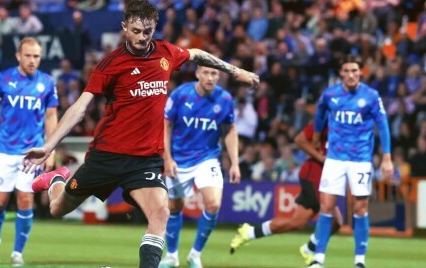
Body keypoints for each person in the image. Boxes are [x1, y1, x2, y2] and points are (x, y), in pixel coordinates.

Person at [21, 1, 259, 268]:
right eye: (136, 31)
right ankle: (56, 180)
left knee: (160, 212)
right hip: (107, 156)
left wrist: (235, 71)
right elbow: (80, 107)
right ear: (124, 27)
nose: (142, 37)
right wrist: (49, 146)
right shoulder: (110, 64)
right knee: (57, 209)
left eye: (147, 32)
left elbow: (196, 54)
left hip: (145, 160)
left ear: (154, 28)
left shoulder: (166, 53)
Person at [307, 55, 393, 268]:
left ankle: (359, 261)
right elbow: (319, 116)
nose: (351, 74)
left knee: (360, 208)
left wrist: (387, 157)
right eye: (347, 70)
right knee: (326, 207)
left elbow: (383, 125)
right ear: (341, 73)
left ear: (361, 71)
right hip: (334, 158)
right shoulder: (330, 94)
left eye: (355, 70)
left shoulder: (371, 96)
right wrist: (316, 138)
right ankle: (318, 259)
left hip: (361, 159)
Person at [0, 37, 58, 266]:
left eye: (36, 56)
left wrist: (50, 150)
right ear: (18, 56)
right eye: (28, 56)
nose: (33, 61)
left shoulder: (47, 82)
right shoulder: (3, 79)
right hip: (4, 151)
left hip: (31, 154)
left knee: (25, 200)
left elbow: (51, 117)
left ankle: (17, 254)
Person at [158, 66, 240, 268]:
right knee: (174, 207)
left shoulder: (225, 99)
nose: (210, 77)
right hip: (179, 158)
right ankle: (172, 256)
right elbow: (165, 126)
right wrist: (167, 158)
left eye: (214, 74)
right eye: (206, 73)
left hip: (207, 158)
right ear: (197, 74)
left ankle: (195, 255)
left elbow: (229, 130)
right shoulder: (180, 95)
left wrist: (235, 163)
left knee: (213, 204)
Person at [229, 122, 343, 265]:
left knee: (299, 223)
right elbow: (299, 139)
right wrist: (322, 159)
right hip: (314, 175)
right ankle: (314, 257)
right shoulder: (325, 119)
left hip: (324, 178)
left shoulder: (347, 125)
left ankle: (249, 232)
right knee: (332, 218)